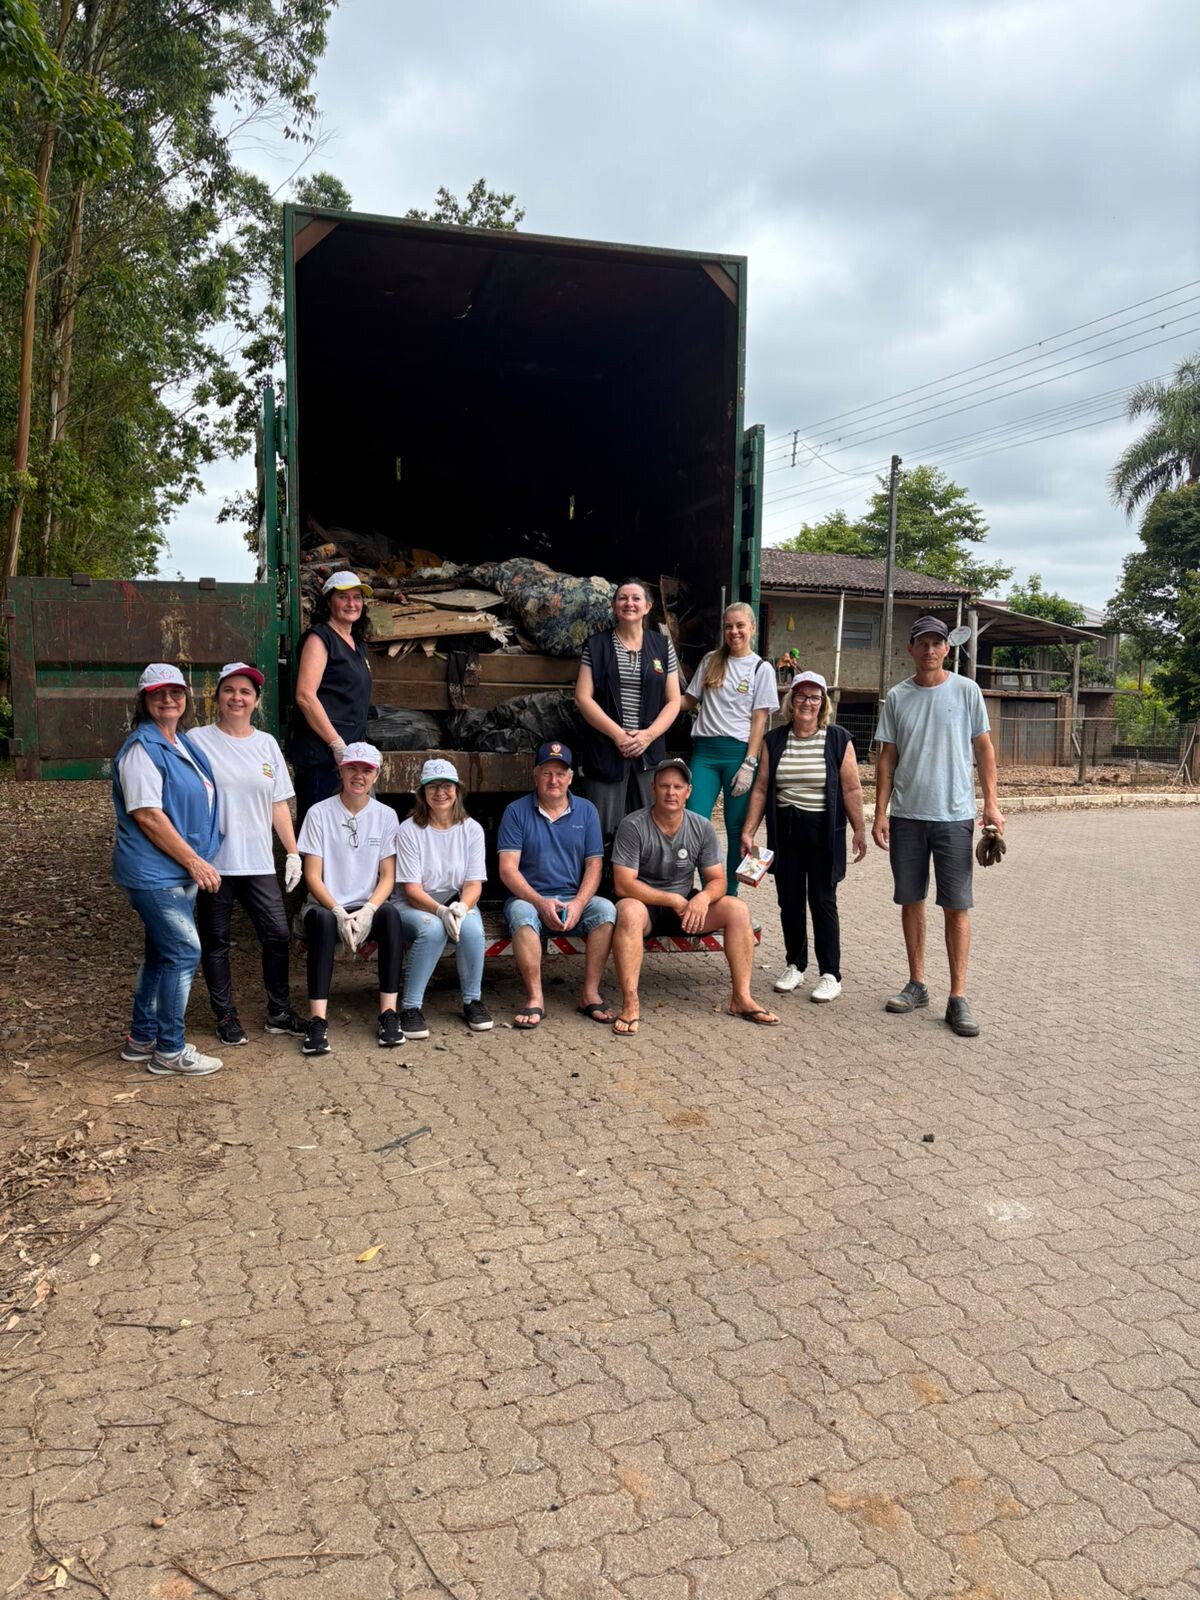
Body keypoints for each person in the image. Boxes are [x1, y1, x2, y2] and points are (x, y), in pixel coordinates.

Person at [872, 616, 1005, 1037]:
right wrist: (878, 813)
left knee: (956, 906)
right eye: (922, 643)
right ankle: (917, 984)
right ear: (909, 649)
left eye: (937, 643)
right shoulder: (897, 697)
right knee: (911, 900)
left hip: (954, 816)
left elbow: (984, 751)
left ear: (948, 649)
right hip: (908, 816)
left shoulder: (967, 691)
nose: (929, 650)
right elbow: (887, 759)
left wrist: (992, 805)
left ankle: (958, 997)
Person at [609, 758, 779, 1037]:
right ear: (653, 789)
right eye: (664, 786)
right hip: (646, 907)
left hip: (686, 908)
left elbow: (718, 881)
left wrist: (702, 898)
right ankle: (630, 1004)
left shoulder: (701, 827)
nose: (670, 792)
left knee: (736, 908)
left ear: (689, 791)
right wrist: (673, 900)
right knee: (627, 910)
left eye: (678, 786)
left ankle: (741, 998)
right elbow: (623, 885)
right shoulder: (633, 825)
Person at [111, 664, 223, 1077]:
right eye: (158, 693)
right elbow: (148, 815)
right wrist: (193, 859)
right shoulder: (143, 748)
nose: (168, 700)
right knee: (184, 951)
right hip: (155, 871)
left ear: (187, 698)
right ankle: (170, 1050)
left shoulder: (180, 743)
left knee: (161, 952)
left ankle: (142, 1039)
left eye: (176, 692)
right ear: (143, 700)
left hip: (175, 869)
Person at [190, 662, 306, 1045]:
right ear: (217, 696)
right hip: (214, 863)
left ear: (256, 701)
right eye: (229, 690)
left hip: (256, 860)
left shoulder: (266, 743)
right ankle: (225, 1014)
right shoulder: (197, 740)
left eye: (245, 692)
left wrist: (292, 852)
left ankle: (279, 1012)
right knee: (216, 941)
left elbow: (277, 803)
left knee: (276, 935)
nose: (236, 698)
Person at [740, 671, 866, 1003]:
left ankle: (830, 974)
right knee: (790, 901)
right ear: (790, 702)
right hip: (786, 831)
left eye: (814, 697)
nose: (807, 703)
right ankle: (795, 964)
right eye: (801, 697)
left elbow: (852, 789)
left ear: (822, 703)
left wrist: (860, 830)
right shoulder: (775, 740)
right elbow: (762, 788)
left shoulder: (838, 739)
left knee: (823, 901)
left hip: (823, 832)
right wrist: (749, 830)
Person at [497, 741, 617, 1030]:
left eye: (561, 773)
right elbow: (507, 869)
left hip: (572, 898)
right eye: (547, 773)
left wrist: (578, 903)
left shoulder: (586, 810)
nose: (554, 780)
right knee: (522, 916)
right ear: (535, 776)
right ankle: (535, 998)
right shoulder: (516, 811)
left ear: (571, 777)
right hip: (529, 897)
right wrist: (540, 902)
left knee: (605, 910)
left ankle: (589, 993)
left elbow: (594, 865)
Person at [296, 741, 405, 1055]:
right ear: (341, 771)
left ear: (376, 775)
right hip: (327, 902)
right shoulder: (320, 813)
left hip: (365, 903)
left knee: (391, 917)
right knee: (322, 922)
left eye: (366, 770)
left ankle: (388, 1013)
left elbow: (388, 875)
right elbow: (313, 875)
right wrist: (339, 911)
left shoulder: (386, 816)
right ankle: (317, 1021)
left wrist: (370, 908)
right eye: (352, 768)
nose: (359, 775)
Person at [680, 601, 779, 894]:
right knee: (695, 822)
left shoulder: (762, 668)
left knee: (738, 829)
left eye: (739, 626)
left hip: (738, 754)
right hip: (705, 755)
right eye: (728, 626)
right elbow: (688, 701)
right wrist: (661, 692)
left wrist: (750, 763)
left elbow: (759, 720)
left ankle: (730, 895)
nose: (734, 631)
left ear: (752, 628)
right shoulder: (711, 660)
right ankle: (703, 889)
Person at [575, 577, 681, 842]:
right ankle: (602, 883)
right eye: (622, 598)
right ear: (614, 606)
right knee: (602, 832)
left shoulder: (662, 645)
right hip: (607, 750)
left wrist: (647, 736)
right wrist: (618, 735)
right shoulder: (596, 645)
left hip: (648, 753)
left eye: (636, 598)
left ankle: (641, 884)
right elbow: (583, 697)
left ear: (647, 607)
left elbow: (674, 701)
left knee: (648, 831)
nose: (629, 603)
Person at [394, 758, 492, 1039]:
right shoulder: (409, 830)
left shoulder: (471, 829)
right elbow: (411, 889)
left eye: (446, 786)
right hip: (412, 903)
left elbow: (474, 884)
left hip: (454, 900)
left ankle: (473, 1000)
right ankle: (410, 1007)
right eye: (432, 787)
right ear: (422, 793)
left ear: (457, 791)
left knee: (472, 927)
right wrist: (441, 911)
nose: (440, 793)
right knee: (433, 929)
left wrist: (461, 907)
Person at [291, 571, 373, 822]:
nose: (352, 603)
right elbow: (305, 696)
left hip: (352, 755)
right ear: (328, 602)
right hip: (323, 757)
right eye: (343, 597)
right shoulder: (319, 638)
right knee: (321, 830)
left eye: (357, 597)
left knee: (350, 829)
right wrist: (336, 745)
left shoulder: (357, 644)